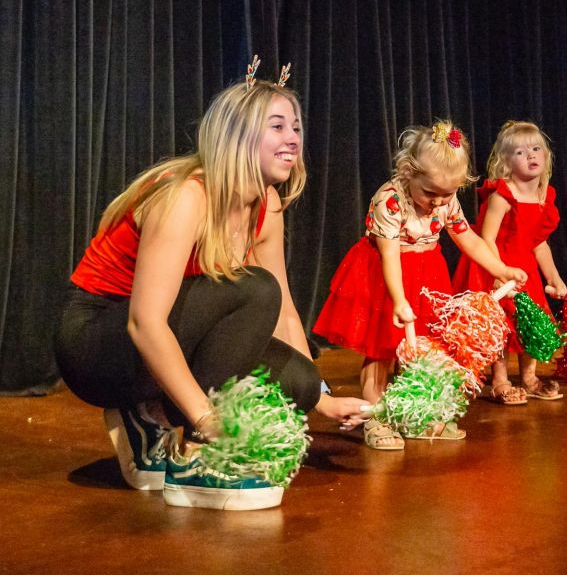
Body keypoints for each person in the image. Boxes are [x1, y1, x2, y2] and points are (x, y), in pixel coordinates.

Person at [54, 60, 370, 510]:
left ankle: (153, 415)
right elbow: (145, 322)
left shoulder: (267, 205)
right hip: (98, 341)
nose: (293, 138)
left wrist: (323, 398)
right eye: (277, 126)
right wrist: (207, 418)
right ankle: (192, 447)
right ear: (237, 137)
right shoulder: (187, 196)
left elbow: (282, 312)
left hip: (169, 332)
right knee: (252, 288)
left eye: (296, 127)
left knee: (296, 383)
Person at [313, 121, 527, 450]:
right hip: (387, 275)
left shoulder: (445, 202)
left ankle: (418, 414)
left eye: (448, 193)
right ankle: (377, 418)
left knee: (426, 352)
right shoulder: (390, 200)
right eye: (430, 193)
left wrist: (501, 268)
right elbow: (389, 255)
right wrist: (399, 300)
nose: (439, 202)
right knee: (382, 351)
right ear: (408, 172)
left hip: (427, 273)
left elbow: (467, 237)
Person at [452, 120, 567, 405]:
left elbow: (538, 242)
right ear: (505, 161)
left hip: (525, 269)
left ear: (546, 155)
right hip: (494, 264)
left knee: (530, 321)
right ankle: (500, 381)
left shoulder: (544, 195)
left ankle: (529, 378)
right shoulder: (502, 194)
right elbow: (486, 237)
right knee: (500, 324)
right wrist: (498, 273)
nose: (531, 155)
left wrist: (554, 277)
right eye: (520, 152)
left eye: (536, 148)